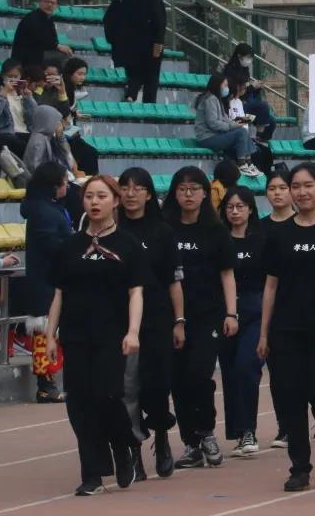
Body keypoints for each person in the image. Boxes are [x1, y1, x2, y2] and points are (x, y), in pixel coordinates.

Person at [44, 175, 145, 496]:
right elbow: (59, 294)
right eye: (89, 196)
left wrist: (133, 331)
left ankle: (123, 444)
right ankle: (92, 473)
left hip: (112, 335)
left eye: (102, 196)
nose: (95, 202)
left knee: (107, 395)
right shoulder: (69, 246)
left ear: (115, 201)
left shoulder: (128, 245)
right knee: (79, 403)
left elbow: (136, 292)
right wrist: (49, 335)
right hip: (75, 334)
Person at [258, 163, 315, 490]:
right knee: (291, 397)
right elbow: (271, 285)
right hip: (286, 329)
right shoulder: (278, 233)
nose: (301, 192)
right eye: (295, 186)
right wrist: (264, 333)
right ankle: (299, 467)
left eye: (308, 185)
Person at [163, 167, 239, 469]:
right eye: (182, 189)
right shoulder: (166, 229)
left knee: (198, 374)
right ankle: (191, 444)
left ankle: (206, 430)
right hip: (172, 317)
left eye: (194, 188)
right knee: (178, 380)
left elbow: (227, 274)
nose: (188, 194)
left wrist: (231, 313)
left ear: (205, 193)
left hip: (208, 315)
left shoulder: (216, 231)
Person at [118, 168, 184, 480]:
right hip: (120, 319)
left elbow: (174, 281)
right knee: (127, 387)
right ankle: (133, 447)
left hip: (157, 317)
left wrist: (179, 321)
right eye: (125, 187)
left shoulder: (163, 232)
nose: (131, 194)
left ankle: (161, 433)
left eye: (138, 188)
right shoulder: (111, 230)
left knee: (157, 385)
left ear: (148, 194)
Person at [17, 162, 75, 403]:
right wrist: (75, 247)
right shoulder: (43, 211)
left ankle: (50, 381)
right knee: (44, 332)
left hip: (51, 280)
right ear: (54, 185)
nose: (67, 186)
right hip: (45, 282)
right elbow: (52, 245)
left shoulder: (48, 207)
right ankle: (45, 384)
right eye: (64, 182)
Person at [218, 186, 268, 459]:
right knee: (229, 372)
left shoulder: (261, 240)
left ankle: (249, 429)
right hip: (225, 312)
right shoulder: (219, 239)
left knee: (246, 366)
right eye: (230, 207)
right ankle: (238, 431)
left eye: (240, 206)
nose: (235, 212)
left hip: (255, 310)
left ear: (250, 209)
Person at [262, 168, 294, 449]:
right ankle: (286, 426)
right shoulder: (259, 227)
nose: (278, 193)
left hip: (303, 303)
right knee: (280, 373)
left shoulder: (303, 224)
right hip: (272, 305)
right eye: (272, 189)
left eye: (283, 188)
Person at [103, 0, 166, 103]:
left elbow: (109, 17)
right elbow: (159, 21)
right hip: (148, 43)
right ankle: (149, 105)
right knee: (151, 76)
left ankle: (131, 94)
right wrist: (158, 45)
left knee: (133, 72)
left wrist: (113, 39)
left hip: (125, 43)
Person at [194, 74, 262, 177]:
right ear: (217, 85)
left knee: (242, 130)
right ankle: (242, 164)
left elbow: (225, 119)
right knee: (241, 132)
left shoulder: (217, 99)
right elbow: (213, 123)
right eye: (225, 85)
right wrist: (232, 126)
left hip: (215, 135)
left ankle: (248, 163)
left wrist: (236, 124)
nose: (227, 88)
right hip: (207, 137)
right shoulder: (210, 99)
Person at [222, 43, 277, 141]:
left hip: (245, 111)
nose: (249, 60)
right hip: (235, 117)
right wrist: (251, 87)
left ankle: (262, 142)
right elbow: (237, 91)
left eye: (251, 57)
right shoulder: (230, 71)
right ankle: (258, 138)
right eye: (248, 57)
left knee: (271, 121)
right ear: (239, 56)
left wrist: (256, 88)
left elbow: (246, 92)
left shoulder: (245, 70)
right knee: (263, 106)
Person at [11, 0, 72, 69]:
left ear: (56, 6)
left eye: (53, 3)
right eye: (47, 2)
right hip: (27, 57)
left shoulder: (48, 19)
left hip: (39, 54)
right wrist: (58, 46)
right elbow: (40, 39)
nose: (49, 5)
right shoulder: (33, 18)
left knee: (67, 53)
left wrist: (58, 46)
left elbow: (53, 39)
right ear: (40, 2)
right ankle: (63, 77)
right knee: (64, 55)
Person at [61, 57, 100, 175]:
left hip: (70, 132)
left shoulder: (72, 89)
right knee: (90, 153)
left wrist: (75, 114)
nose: (82, 77)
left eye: (84, 74)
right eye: (79, 74)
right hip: (63, 134)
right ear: (70, 73)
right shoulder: (64, 89)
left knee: (90, 153)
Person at [0, 59, 36, 152]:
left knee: (45, 141)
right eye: (9, 76)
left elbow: (34, 118)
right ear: (3, 76)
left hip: (24, 132)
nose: (13, 79)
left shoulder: (22, 94)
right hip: (7, 134)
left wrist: (28, 99)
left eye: (16, 76)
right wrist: (3, 95)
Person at [23, 105, 76, 176]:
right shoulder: (38, 141)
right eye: (55, 121)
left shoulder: (47, 137)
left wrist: (60, 137)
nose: (58, 124)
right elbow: (35, 169)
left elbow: (69, 160)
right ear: (48, 121)